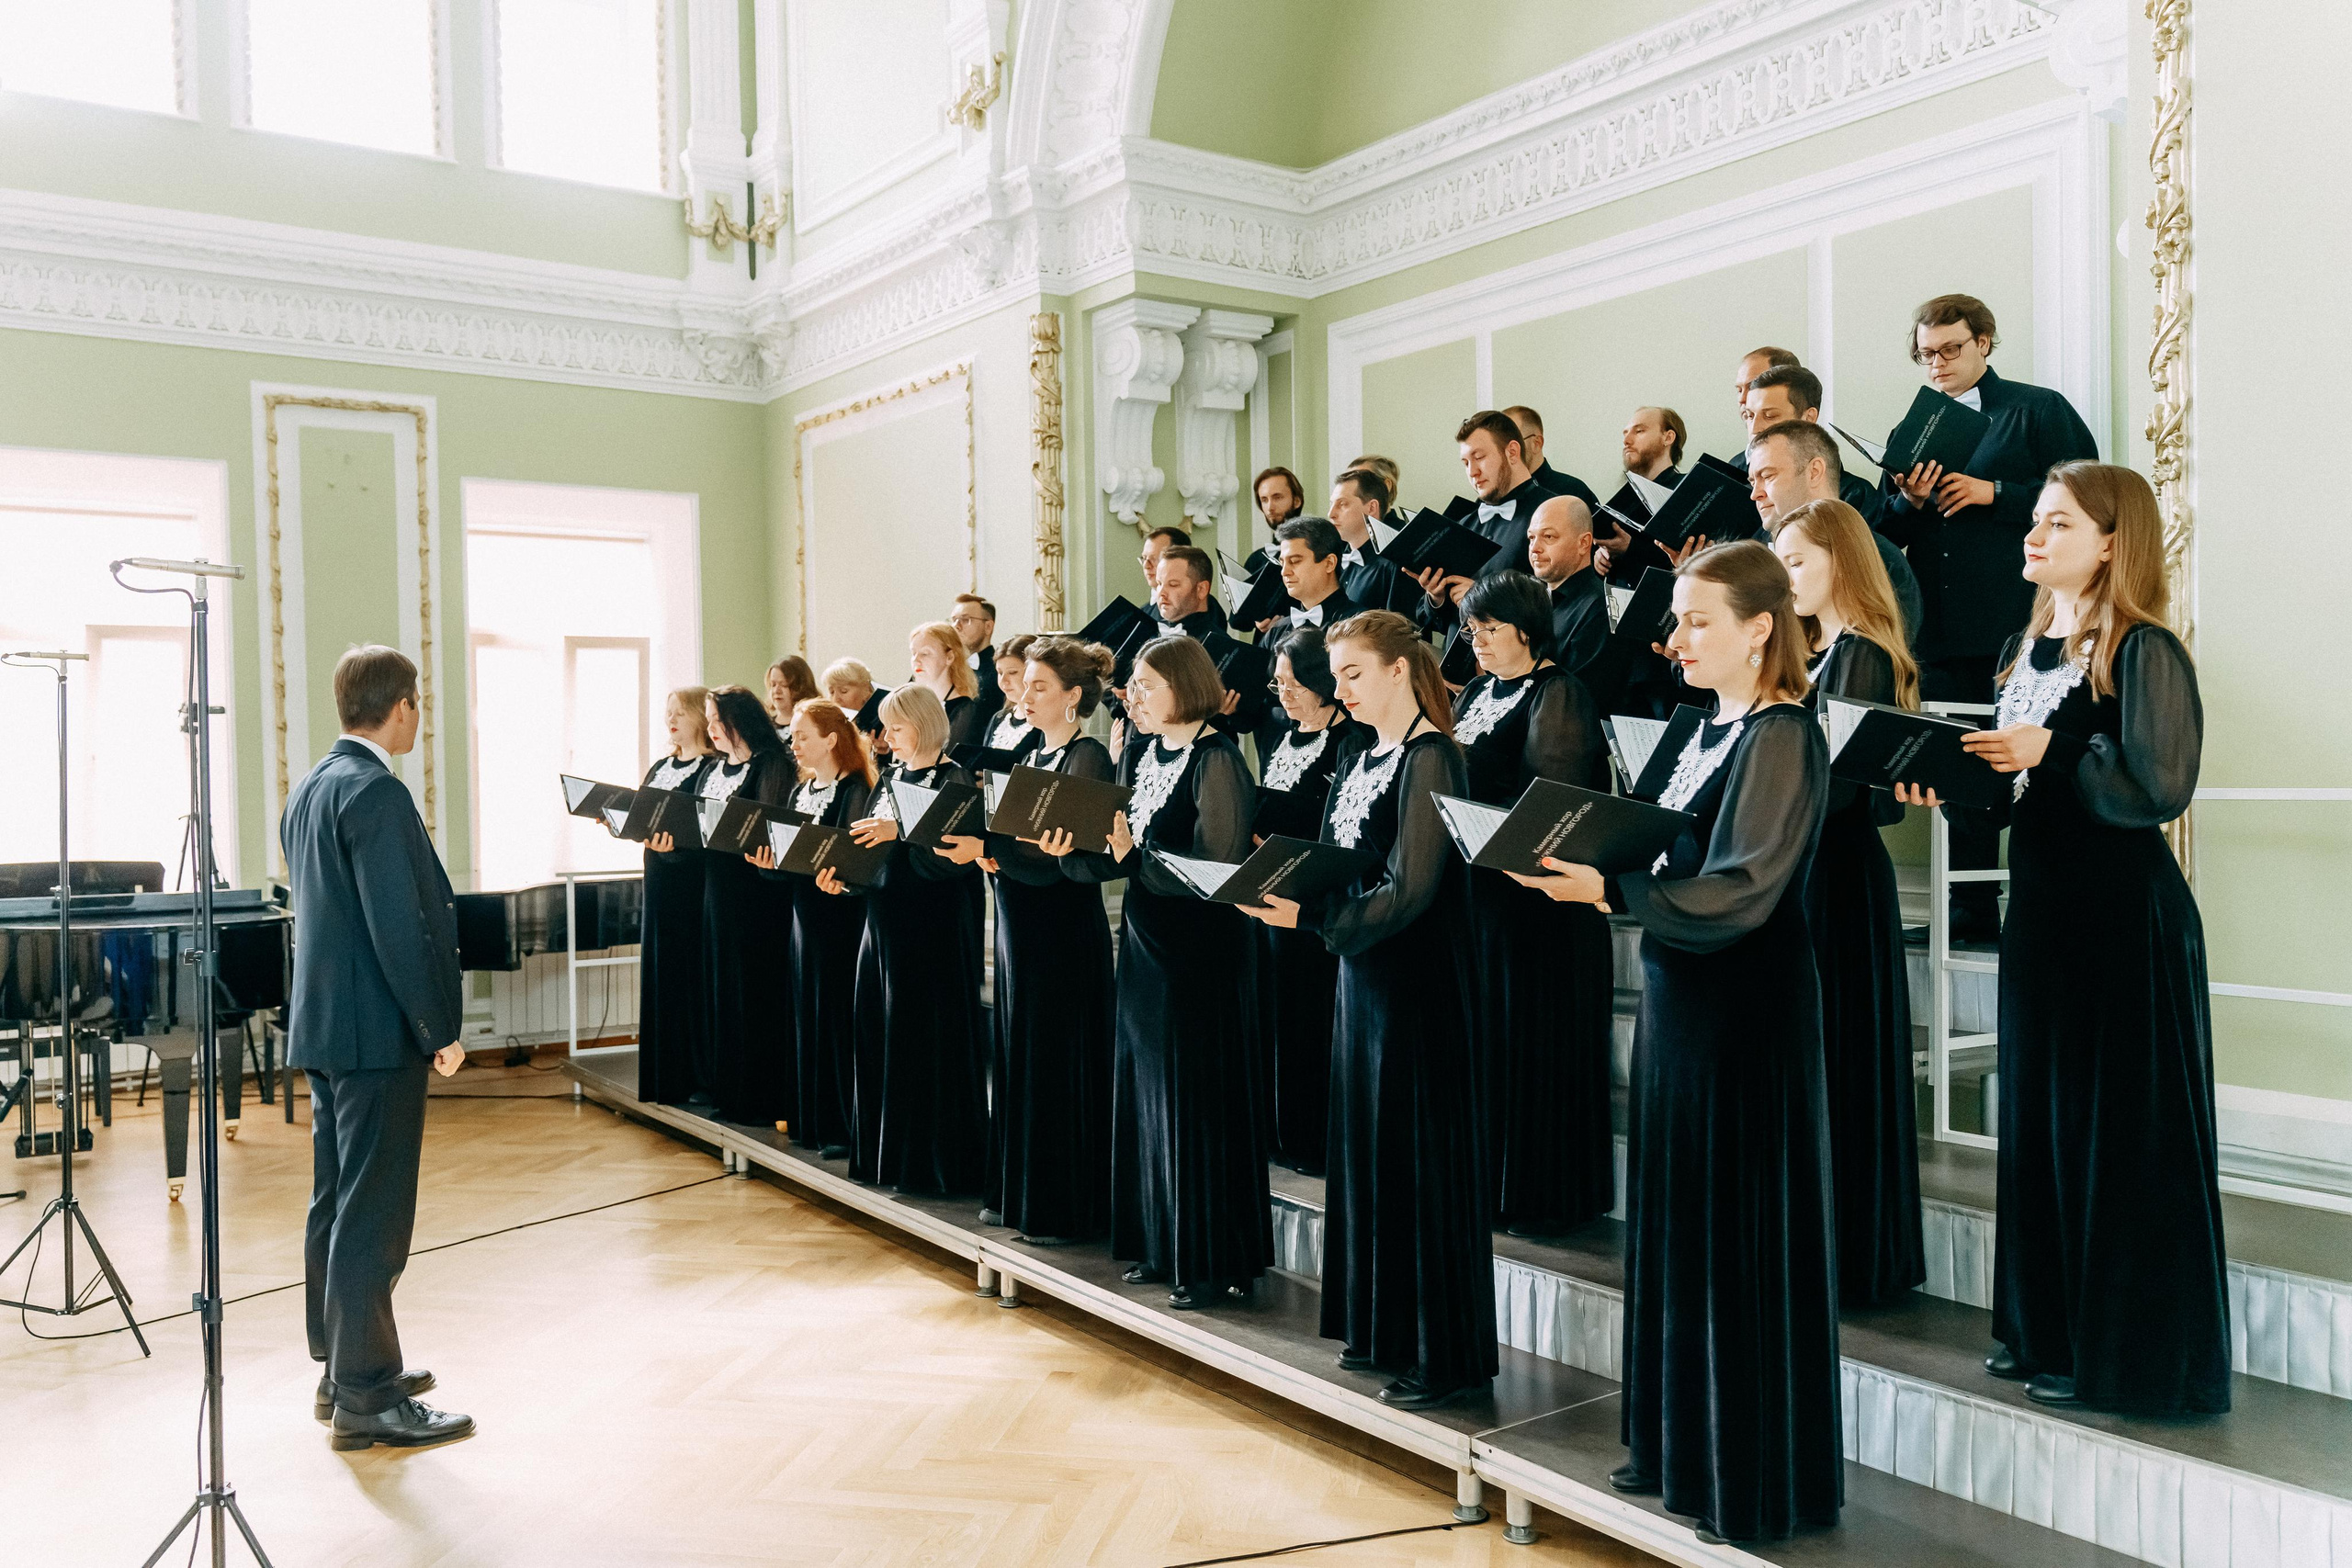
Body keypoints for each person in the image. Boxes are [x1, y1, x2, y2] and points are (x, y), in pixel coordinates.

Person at [1511, 541, 1838, 1544]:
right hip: (1680, 996)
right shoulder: (1701, 727)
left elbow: (1742, 888)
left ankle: (1743, 1471)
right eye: (1679, 619)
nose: (1679, 637)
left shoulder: (1782, 734)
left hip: (1743, 1011)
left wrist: (1608, 889)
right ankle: (1677, 1443)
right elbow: (1659, 839)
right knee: (1677, 1220)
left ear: (1758, 629)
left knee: (1733, 1229)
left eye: (1701, 620)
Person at [1898, 462, 2224, 1416]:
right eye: (2034, 522)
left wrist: (2061, 750)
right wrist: (1951, 787)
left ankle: (2118, 1350)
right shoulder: (2021, 650)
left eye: (2055, 523)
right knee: (2043, 1128)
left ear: (2112, 541)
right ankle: (2045, 1325)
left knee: (2115, 1140)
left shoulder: (2143, 648)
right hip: (2043, 920)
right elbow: (2011, 803)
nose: (2032, 537)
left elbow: (2159, 784)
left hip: (2123, 925)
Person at [1239, 610, 1494, 1412]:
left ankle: (1438, 1351)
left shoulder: (1434, 757)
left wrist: (1314, 921)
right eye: (1336, 676)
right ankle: (1380, 1326)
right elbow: (1333, 858)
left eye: (1352, 674)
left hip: (1418, 985)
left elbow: (1413, 889)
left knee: (1418, 1156)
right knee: (1370, 1149)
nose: (1339, 689)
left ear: (1397, 671)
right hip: (1364, 977)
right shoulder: (1356, 753)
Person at [283, 644, 472, 1450]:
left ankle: (342, 1365)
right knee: (374, 1211)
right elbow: (402, 927)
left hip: (327, 1029)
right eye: (418, 702)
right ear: (401, 705)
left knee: (337, 1199)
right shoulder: (377, 793)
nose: (418, 716)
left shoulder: (312, 789)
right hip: (376, 1033)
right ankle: (369, 1394)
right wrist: (440, 1029)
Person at [1878, 294, 2100, 940]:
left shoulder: (2037, 409)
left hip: (2019, 626)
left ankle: (2047, 912)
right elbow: (1886, 531)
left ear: (1985, 342)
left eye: (1950, 348)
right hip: (1939, 630)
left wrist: (1993, 493)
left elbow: (2091, 494)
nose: (1938, 363)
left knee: (2033, 760)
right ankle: (1970, 914)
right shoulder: (1910, 431)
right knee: (1956, 762)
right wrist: (1908, 500)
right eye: (1926, 355)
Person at [1773, 501, 1928, 1307]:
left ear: (1841, 561)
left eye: (1797, 562)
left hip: (1834, 871)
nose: (1786, 577)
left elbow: (1829, 785)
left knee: (1840, 1052)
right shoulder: (1821, 652)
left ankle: (1851, 1252)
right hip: (1812, 866)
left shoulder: (1860, 651)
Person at [1102, 636, 1272, 1309]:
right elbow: (1130, 848)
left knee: (1195, 1098)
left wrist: (1135, 854)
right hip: (1147, 939)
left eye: (1146, 684)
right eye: (1132, 686)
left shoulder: (1218, 757)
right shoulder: (1143, 751)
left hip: (1199, 953)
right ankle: (1163, 1240)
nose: (1134, 697)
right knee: (1149, 1093)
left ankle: (1209, 1257)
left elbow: (1217, 868)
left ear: (1184, 685)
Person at [1452, 572, 1614, 1235]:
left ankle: (1543, 1195)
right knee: (1490, 1041)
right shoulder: (1477, 691)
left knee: (1535, 1044)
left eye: (1490, 629)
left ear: (1527, 628)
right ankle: (1491, 1184)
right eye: (1471, 630)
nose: (1478, 642)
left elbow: (1555, 802)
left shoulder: (1560, 692)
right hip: (1484, 894)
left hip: (1541, 903)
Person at [967, 637, 1122, 1243]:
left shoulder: (1088, 757)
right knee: (1018, 1050)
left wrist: (992, 849)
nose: (1023, 696)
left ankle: (1062, 1204)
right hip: (1018, 918)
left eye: (1038, 687)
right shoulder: (1029, 748)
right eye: (1022, 684)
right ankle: (1015, 1191)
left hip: (1060, 926)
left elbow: (1062, 857)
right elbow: (1011, 833)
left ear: (1073, 697)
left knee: (1054, 1055)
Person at [826, 684, 989, 1194]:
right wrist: (842, 875)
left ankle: (932, 1164)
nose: (886, 738)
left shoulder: (953, 777)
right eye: (885, 728)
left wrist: (901, 832)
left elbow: (946, 862)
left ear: (923, 725)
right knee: (881, 1029)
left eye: (896, 728)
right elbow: (869, 845)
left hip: (933, 925)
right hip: (885, 922)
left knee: (925, 1036)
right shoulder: (893, 777)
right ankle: (886, 1158)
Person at [1250, 628, 1363, 1176]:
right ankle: (1277, 1131)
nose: (1283, 694)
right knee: (1275, 1019)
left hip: (1318, 900)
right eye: (1278, 683)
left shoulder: (1350, 740)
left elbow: (1343, 827)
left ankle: (1312, 1136)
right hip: (1271, 894)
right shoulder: (1279, 733)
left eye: (1293, 683)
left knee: (1311, 1022)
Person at [762, 698, 875, 1160]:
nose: (794, 745)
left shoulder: (854, 791)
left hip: (840, 922)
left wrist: (839, 879)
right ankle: (812, 1118)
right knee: (806, 1011)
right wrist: (767, 863)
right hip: (804, 917)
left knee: (835, 1019)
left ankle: (842, 1126)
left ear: (831, 739)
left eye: (802, 736)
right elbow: (789, 862)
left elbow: (855, 865)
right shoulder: (800, 792)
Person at [701, 684, 798, 1129]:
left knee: (756, 992)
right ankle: (730, 1090)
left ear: (738, 721)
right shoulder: (717, 768)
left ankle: (760, 1095)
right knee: (726, 989)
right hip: (720, 891)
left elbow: (772, 825)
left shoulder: (772, 763)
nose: (710, 728)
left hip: (758, 895)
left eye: (716, 719)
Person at [1747, 416, 1923, 644]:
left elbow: (1881, 664)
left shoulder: (1879, 560)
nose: (1755, 494)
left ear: (1814, 471)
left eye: (1768, 476)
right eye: (1752, 481)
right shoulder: (1754, 556)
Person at [631, 684, 715, 1110]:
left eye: (680, 711)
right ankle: (663, 1075)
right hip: (658, 877)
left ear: (702, 717)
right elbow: (643, 811)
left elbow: (705, 830)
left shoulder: (710, 769)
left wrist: (676, 849)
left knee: (688, 973)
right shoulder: (662, 764)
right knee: (660, 968)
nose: (671, 719)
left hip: (689, 882)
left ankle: (693, 1076)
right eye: (668, 711)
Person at [1411, 411, 1553, 630]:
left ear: (1512, 452)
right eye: (1465, 463)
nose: (1472, 472)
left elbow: (1557, 602)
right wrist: (1436, 597)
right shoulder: (1463, 524)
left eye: (1479, 458)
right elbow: (1432, 622)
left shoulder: (1552, 513)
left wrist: (1482, 597)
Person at [1153, 546, 1272, 739]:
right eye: (1159, 584)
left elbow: (1250, 719)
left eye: (1173, 585)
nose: (1161, 593)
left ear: (1201, 589)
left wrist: (1231, 711)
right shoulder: (1150, 636)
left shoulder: (1224, 646)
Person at [1327, 468, 1410, 613]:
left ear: (1371, 508)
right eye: (1332, 504)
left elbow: (1402, 630)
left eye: (1342, 504)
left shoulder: (1395, 565)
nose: (1331, 514)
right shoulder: (1334, 562)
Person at [1269, 517, 1366, 638]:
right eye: (1282, 563)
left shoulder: (1361, 626)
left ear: (1329, 563)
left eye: (1294, 561)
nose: (1284, 572)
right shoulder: (1276, 632)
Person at [909, 619, 988, 750]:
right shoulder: (913, 703)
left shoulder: (966, 710)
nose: (916, 660)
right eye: (913, 653)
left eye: (925, 653)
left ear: (949, 657)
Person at [1503, 404, 1600, 507]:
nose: (1505, 452)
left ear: (1537, 444)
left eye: (1513, 443)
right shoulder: (1494, 495)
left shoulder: (1573, 491)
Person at [982, 632, 1038, 752]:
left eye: (1012, 673)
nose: (1003, 681)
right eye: (1000, 672)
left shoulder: (1044, 722)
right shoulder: (999, 718)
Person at [950, 593, 1001, 715]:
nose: (956, 626)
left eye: (965, 619)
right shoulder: (947, 667)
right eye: (954, 620)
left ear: (988, 627)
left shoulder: (999, 671)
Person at [823, 657, 888, 745]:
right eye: (831, 692)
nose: (835, 699)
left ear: (866, 690)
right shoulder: (829, 728)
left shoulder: (886, 722)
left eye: (844, 691)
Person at [1621, 406, 1686, 485]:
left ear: (1668, 438)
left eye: (1639, 431)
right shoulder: (1626, 497)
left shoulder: (1696, 486)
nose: (1626, 441)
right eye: (1626, 434)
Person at [765, 656, 821, 734]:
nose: (777, 691)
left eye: (784, 685)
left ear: (800, 688)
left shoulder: (816, 725)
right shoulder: (764, 726)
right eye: (773, 684)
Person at [1252, 467, 1305, 536]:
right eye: (1264, 500)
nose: (1270, 508)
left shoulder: (1320, 544)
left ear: (1296, 502)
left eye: (1277, 498)